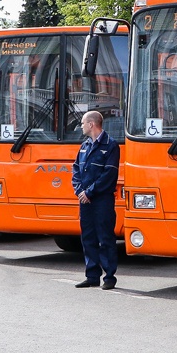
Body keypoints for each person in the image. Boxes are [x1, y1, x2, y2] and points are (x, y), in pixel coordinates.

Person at [71, 110, 120, 289]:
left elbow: (109, 174)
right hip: (85, 200)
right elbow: (76, 170)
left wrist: (89, 192)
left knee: (105, 238)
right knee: (88, 238)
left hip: (102, 200)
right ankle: (92, 275)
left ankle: (109, 278)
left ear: (91, 124)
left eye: (83, 123)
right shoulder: (84, 146)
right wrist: (79, 191)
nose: (81, 126)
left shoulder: (111, 145)